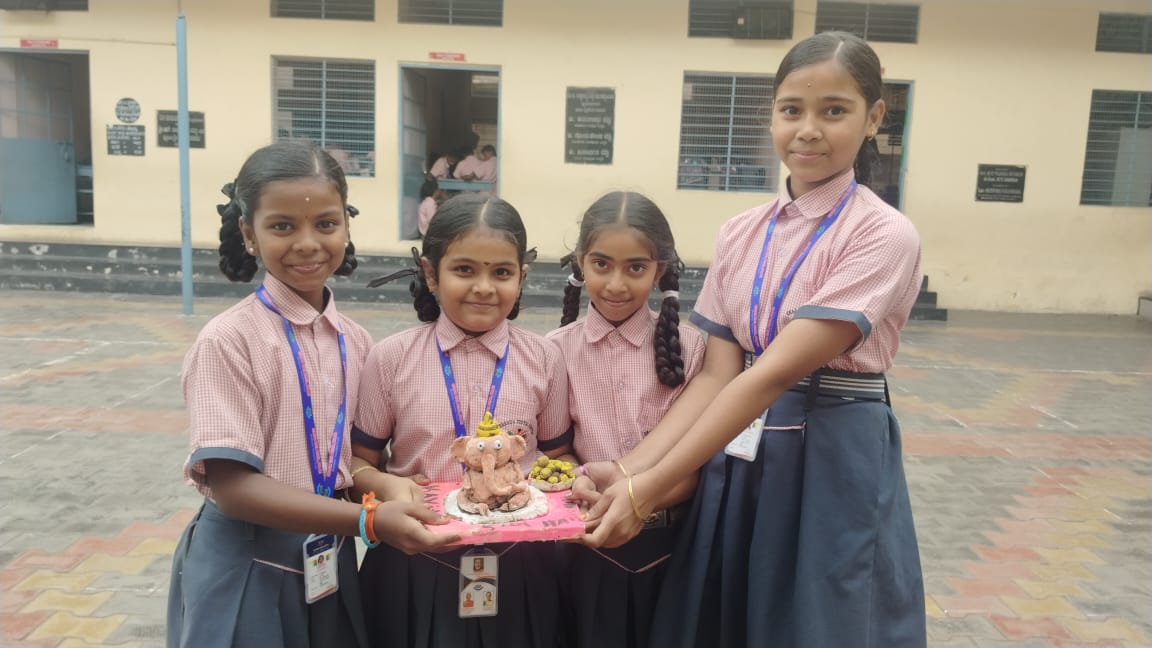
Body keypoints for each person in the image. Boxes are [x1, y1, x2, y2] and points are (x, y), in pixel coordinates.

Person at [581, 32, 927, 648]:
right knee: (729, 614)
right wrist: (630, 468)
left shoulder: (882, 234)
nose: (808, 130)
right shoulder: (741, 232)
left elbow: (769, 374)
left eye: (834, 110)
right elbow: (717, 375)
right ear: (772, 115)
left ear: (874, 117)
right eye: (792, 109)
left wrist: (648, 489)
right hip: (739, 449)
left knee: (821, 618)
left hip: (833, 451)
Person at [167, 142, 456, 648]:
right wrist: (368, 520)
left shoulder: (355, 341)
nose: (307, 243)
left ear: (346, 225)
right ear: (248, 234)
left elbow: (347, 465)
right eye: (282, 226)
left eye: (325, 224)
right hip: (247, 565)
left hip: (329, 563)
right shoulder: (229, 340)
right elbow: (233, 487)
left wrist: (386, 487)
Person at [351, 193, 571, 648]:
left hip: (522, 563)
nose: (484, 287)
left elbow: (559, 456)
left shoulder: (545, 358)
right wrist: (388, 485)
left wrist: (557, 485)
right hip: (415, 559)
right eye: (465, 270)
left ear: (522, 277)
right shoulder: (390, 359)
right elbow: (356, 464)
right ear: (431, 274)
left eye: (502, 272)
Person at [545, 191, 705, 648]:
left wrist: (638, 500)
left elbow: (696, 460)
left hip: (673, 545)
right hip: (587, 542)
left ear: (659, 269)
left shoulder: (693, 349)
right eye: (601, 264)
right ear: (581, 263)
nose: (616, 284)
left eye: (635, 267)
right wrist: (582, 488)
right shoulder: (554, 350)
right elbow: (557, 450)